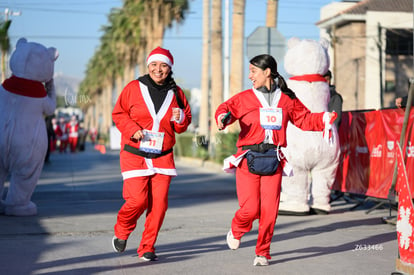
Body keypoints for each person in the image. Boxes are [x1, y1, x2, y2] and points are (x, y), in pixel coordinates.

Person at [215, 54, 337, 266]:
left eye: (253, 71)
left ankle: (263, 252)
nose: (250, 75)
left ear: (267, 72)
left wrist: (323, 119)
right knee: (250, 209)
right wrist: (222, 118)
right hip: (248, 159)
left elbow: (305, 119)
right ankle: (237, 229)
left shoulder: (287, 98)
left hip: (274, 159)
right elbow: (226, 110)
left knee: (270, 211)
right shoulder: (244, 98)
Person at [111, 46, 192, 261]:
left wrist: (180, 117)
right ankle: (122, 229)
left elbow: (184, 124)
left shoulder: (176, 92)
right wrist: (132, 130)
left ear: (169, 68)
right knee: (137, 200)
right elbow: (118, 113)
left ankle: (147, 246)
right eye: (154, 65)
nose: (158, 69)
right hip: (134, 154)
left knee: (159, 205)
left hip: (163, 156)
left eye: (163, 65)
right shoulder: (133, 88)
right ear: (148, 66)